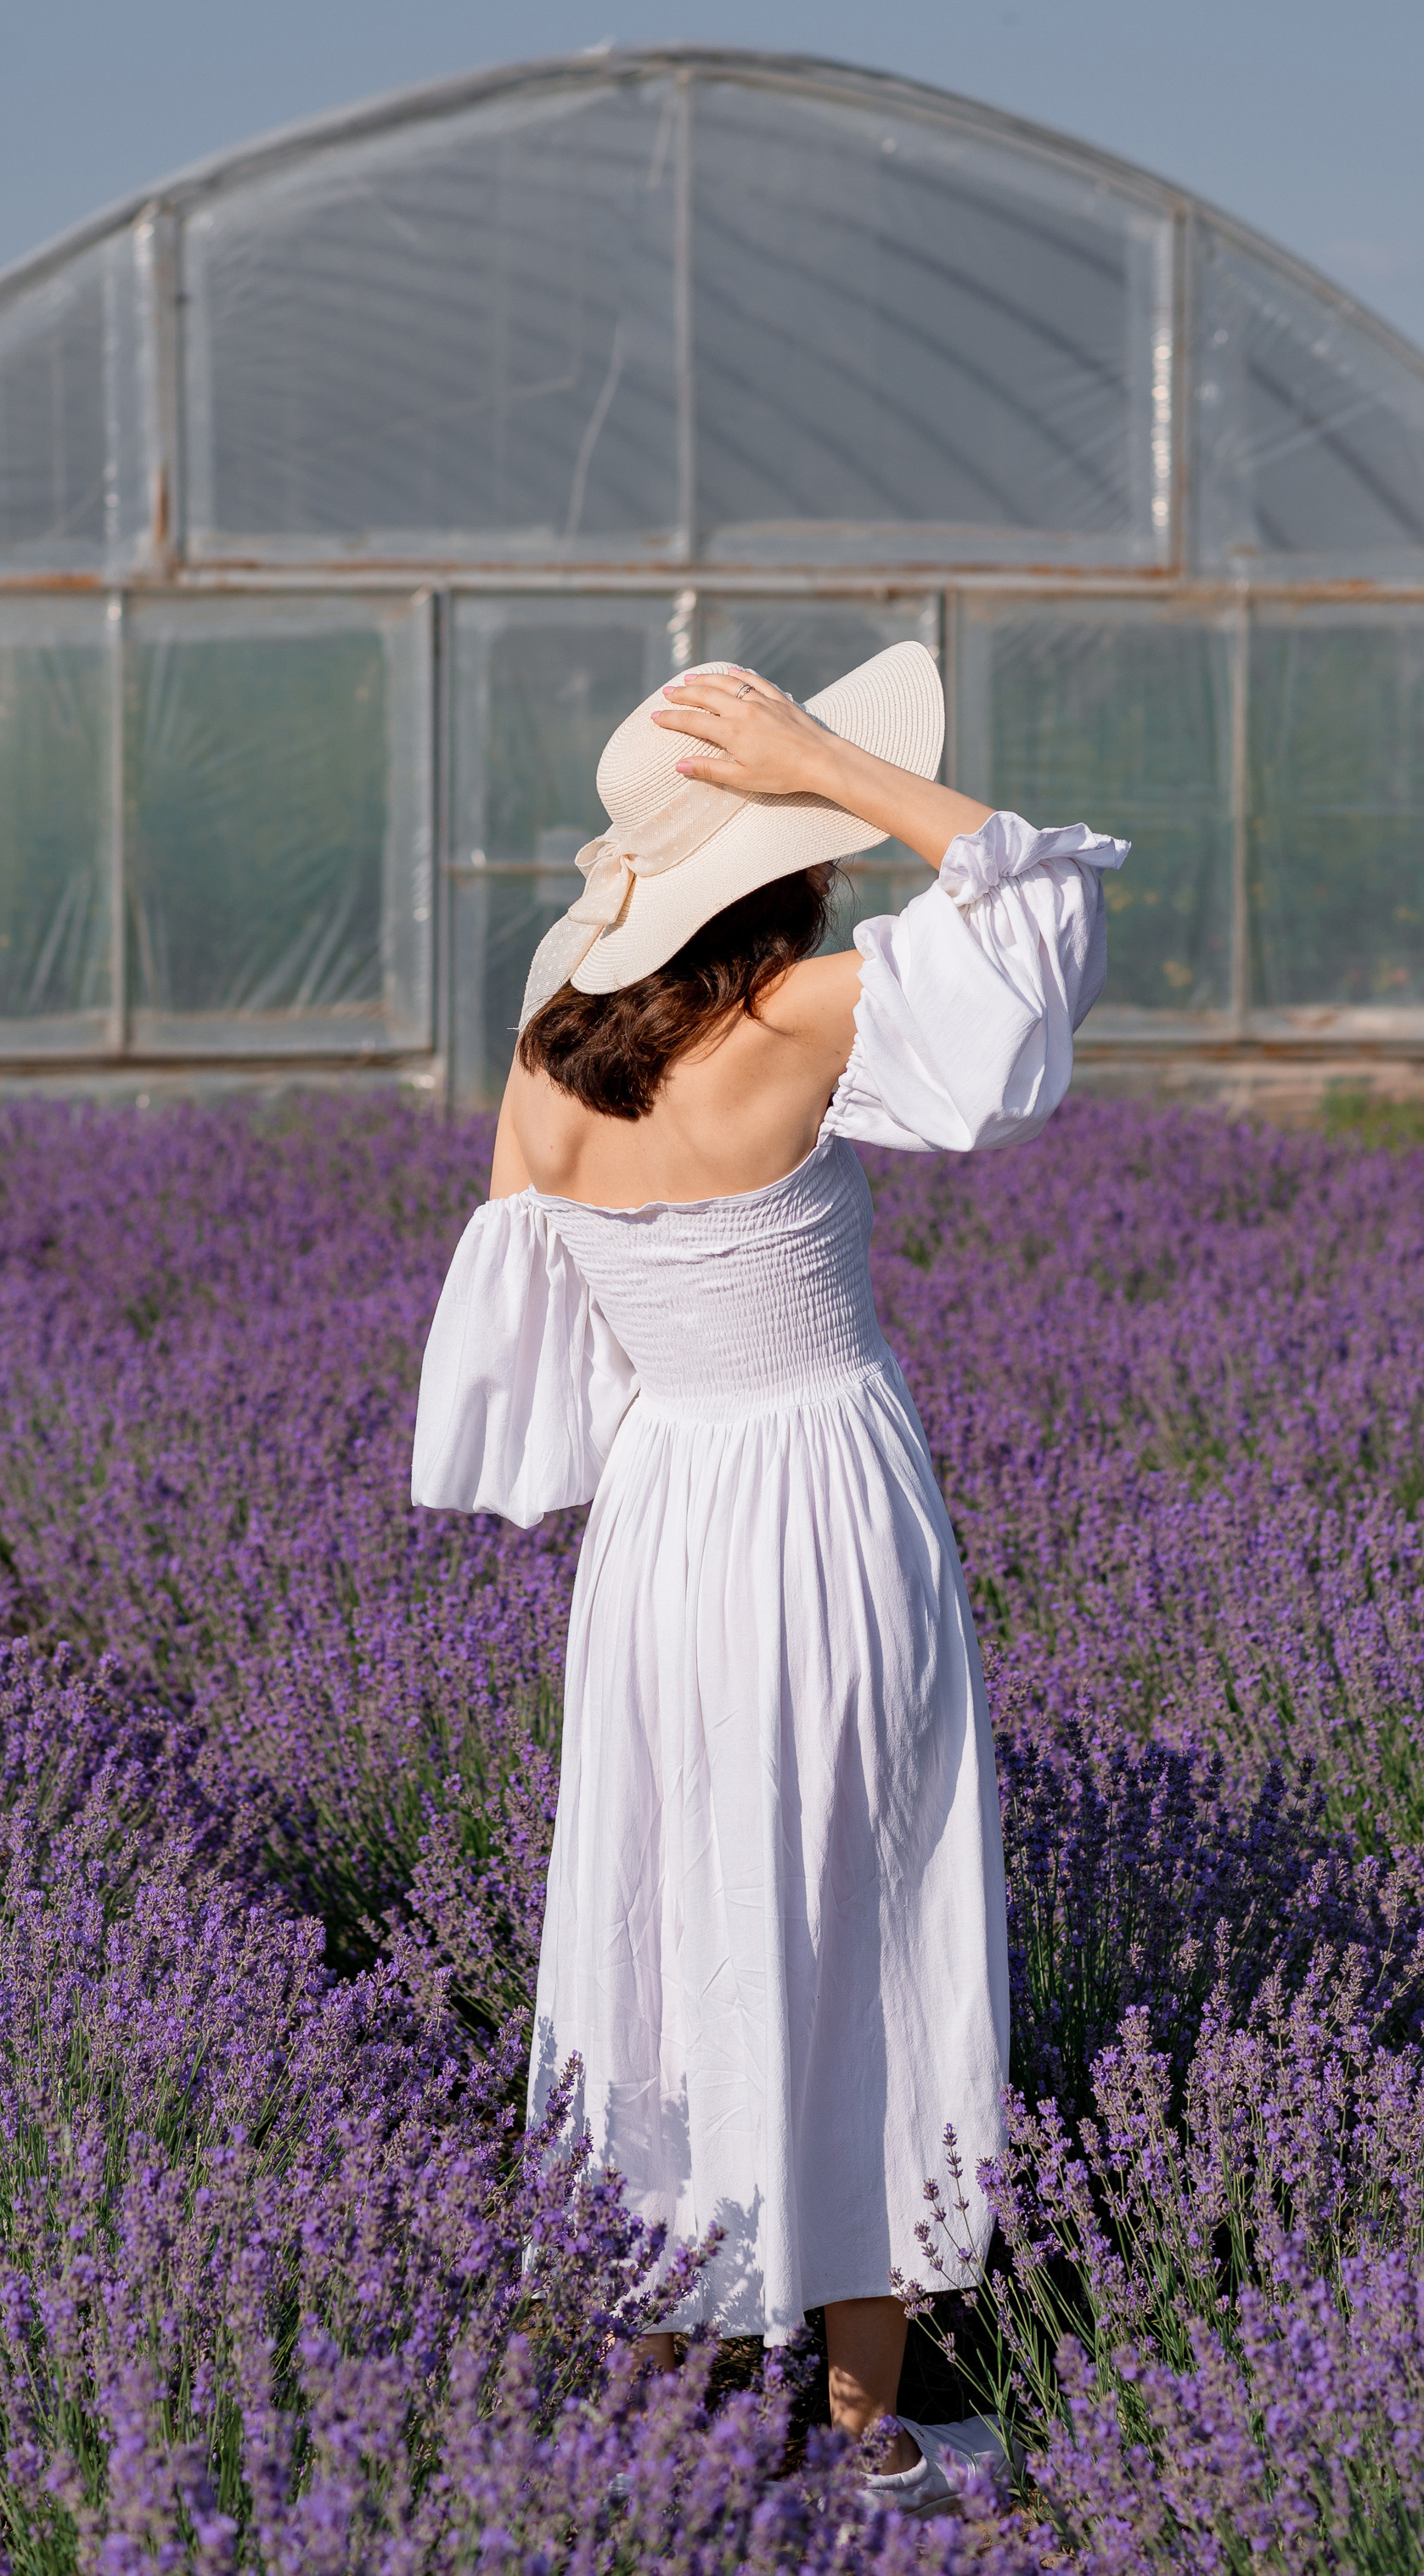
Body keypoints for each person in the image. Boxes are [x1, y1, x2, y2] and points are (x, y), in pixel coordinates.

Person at [411, 642, 1126, 2516]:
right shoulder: (801, 1009)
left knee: (663, 1914)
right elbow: (1027, 893)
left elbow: (528, 1326)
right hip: (822, 1500)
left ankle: (659, 2390)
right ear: (786, 861)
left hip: (660, 1529)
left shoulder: (550, 1041)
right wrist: (831, 759)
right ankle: (865, 2427)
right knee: (864, 1919)